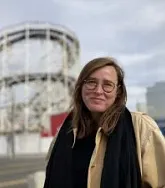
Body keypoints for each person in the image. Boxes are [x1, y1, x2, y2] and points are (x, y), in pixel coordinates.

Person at [43, 57, 165, 188]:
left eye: (107, 84)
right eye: (91, 82)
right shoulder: (65, 131)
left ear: (118, 91)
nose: (98, 91)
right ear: (80, 87)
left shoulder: (141, 126)